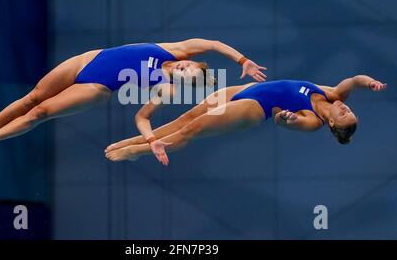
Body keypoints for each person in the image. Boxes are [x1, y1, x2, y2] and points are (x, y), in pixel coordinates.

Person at [0, 38, 266, 157]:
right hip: (87, 59)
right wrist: (242, 61)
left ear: (182, 82)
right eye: (190, 66)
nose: (185, 67)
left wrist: (150, 141)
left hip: (96, 87)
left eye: (187, 75)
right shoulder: (177, 49)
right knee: (31, 98)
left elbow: (142, 117)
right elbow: (212, 44)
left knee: (39, 112)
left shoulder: (165, 88)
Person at [105, 75, 387, 166]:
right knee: (187, 116)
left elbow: (283, 122)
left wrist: (286, 120)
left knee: (193, 128)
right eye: (348, 109)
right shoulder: (332, 93)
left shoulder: (314, 121)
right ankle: (136, 139)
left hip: (255, 107)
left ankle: (138, 151)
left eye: (345, 114)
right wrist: (370, 83)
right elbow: (354, 80)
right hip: (243, 90)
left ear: (335, 125)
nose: (343, 108)